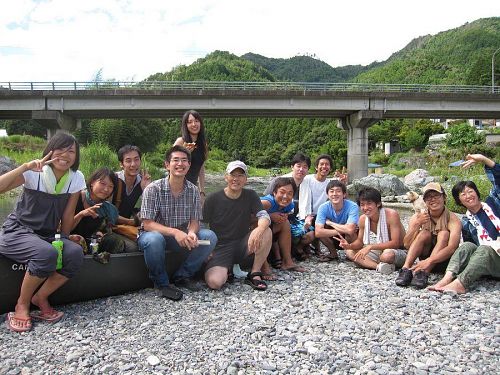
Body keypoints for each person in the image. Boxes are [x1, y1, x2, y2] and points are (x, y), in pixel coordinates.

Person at [0, 133, 85, 333]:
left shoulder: (76, 178)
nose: (65, 155)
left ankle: (40, 296)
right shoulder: (34, 172)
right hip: (18, 231)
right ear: (50, 151)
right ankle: (22, 304)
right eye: (61, 149)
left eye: (71, 151)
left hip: (46, 235)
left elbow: (67, 213)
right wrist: (24, 167)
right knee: (46, 253)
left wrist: (64, 238)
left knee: (73, 253)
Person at [137, 145, 217, 301]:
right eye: (176, 160)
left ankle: (183, 276)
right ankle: (161, 283)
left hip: (179, 237)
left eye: (184, 160)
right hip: (153, 235)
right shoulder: (153, 189)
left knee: (209, 237)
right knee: (154, 239)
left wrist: (192, 232)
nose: (180, 164)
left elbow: (195, 221)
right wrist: (175, 232)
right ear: (167, 165)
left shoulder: (193, 190)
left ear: (189, 165)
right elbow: (147, 224)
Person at [429, 154, 499, 293]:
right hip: (489, 264)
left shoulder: (494, 203)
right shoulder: (467, 222)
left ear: (477, 193)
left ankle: (460, 284)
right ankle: (447, 279)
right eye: (463, 194)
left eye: (470, 191)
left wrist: (484, 160)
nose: (468, 196)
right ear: (459, 201)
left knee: (485, 249)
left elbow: (499, 180)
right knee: (467, 245)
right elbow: (471, 250)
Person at [204, 161, 273, 291]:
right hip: (220, 247)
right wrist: (207, 249)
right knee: (215, 283)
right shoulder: (213, 198)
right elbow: (202, 225)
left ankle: (255, 273)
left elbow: (263, 215)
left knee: (266, 231)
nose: (236, 179)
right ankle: (228, 268)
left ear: (246, 179)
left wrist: (259, 229)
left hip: (242, 244)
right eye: (232, 175)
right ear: (226, 177)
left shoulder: (251, 195)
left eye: (240, 175)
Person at [395, 182, 461, 289]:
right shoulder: (418, 216)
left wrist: (429, 261)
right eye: (429, 197)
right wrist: (417, 224)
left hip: (443, 261)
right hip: (424, 257)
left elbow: (452, 248)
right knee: (424, 233)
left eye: (436, 196)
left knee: (443, 233)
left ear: (444, 197)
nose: (433, 199)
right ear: (424, 201)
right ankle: (406, 269)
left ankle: (424, 273)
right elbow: (406, 244)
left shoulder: (453, 219)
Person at [336, 187, 406, 274]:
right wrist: (349, 245)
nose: (365, 208)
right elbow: (360, 242)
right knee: (350, 252)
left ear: (378, 204)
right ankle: (379, 267)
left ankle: (377, 262)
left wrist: (371, 247)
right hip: (382, 249)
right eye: (362, 204)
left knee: (387, 256)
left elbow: (396, 243)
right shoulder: (363, 219)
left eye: (369, 204)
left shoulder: (391, 215)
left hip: (400, 249)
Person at [72, 167, 137, 253]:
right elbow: (64, 227)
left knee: (117, 242)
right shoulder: (76, 198)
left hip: (93, 242)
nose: (106, 189)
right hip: (74, 241)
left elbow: (110, 224)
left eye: (111, 186)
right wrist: (81, 214)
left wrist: (100, 233)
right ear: (92, 182)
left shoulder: (107, 208)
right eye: (102, 183)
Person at [264, 153, 314, 261]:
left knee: (311, 231)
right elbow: (267, 199)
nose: (301, 169)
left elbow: (308, 208)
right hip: (276, 216)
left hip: (294, 217)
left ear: (308, 170)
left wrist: (308, 218)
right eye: (298, 166)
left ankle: (297, 249)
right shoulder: (279, 181)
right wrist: (271, 215)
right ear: (292, 167)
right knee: (289, 227)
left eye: (305, 167)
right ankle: (281, 256)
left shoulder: (306, 184)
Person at [261, 177, 305, 272]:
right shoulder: (267, 203)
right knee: (261, 225)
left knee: (285, 222)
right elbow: (246, 214)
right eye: (282, 192)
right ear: (274, 193)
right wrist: (269, 215)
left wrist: (282, 217)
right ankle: (263, 265)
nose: (285, 196)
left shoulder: (289, 205)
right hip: (253, 232)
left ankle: (287, 262)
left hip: (271, 232)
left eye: (290, 193)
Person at [314, 180, 359, 261]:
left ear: (344, 194)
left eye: (338, 191)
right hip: (334, 237)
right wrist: (345, 230)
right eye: (331, 191)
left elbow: (351, 230)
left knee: (352, 231)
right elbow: (318, 232)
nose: (334, 194)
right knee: (321, 231)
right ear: (327, 194)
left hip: (349, 237)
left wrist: (330, 223)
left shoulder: (353, 206)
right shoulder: (323, 207)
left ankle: (352, 251)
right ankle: (333, 253)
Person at [298, 154, 333, 256]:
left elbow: (339, 198)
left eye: (327, 164)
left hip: (320, 216)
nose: (324, 167)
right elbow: (303, 199)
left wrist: (343, 184)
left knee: (325, 224)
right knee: (309, 235)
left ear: (330, 168)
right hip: (307, 215)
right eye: (321, 164)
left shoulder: (330, 183)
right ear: (316, 167)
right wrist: (306, 216)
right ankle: (299, 247)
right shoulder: (307, 179)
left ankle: (316, 248)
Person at [112, 145, 151, 226]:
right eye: (128, 161)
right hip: (111, 226)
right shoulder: (113, 179)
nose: (133, 164)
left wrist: (146, 189)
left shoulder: (143, 181)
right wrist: (131, 222)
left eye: (136, 159)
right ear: (121, 164)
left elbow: (149, 209)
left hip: (128, 227)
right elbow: (105, 210)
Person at [174, 110, 208, 199]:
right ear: (186, 125)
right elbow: (169, 164)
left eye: (196, 121)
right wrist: (185, 154)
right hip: (175, 188)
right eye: (190, 122)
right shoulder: (181, 141)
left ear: (200, 123)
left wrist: (202, 192)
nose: (194, 124)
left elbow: (201, 169)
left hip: (192, 189)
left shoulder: (203, 145)